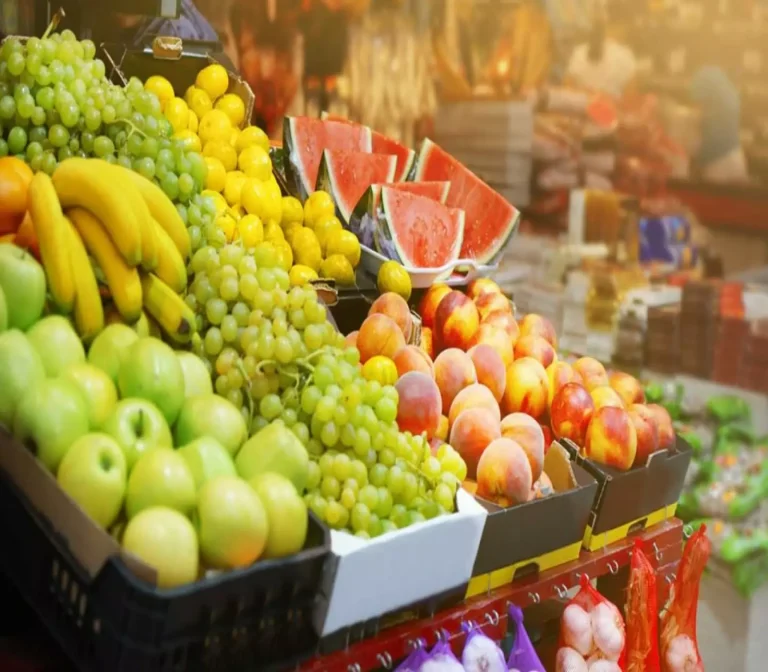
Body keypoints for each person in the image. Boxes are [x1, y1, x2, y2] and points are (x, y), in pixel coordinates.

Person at [689, 66, 748, 184]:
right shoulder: (729, 94)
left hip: (718, 166)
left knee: (713, 194)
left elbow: (711, 142)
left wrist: (698, 163)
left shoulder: (706, 82)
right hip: (736, 158)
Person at [565, 16, 636, 99]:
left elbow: (567, 87)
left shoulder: (579, 51)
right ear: (621, 28)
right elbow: (631, 95)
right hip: (611, 106)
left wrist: (587, 95)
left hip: (582, 105)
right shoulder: (625, 55)